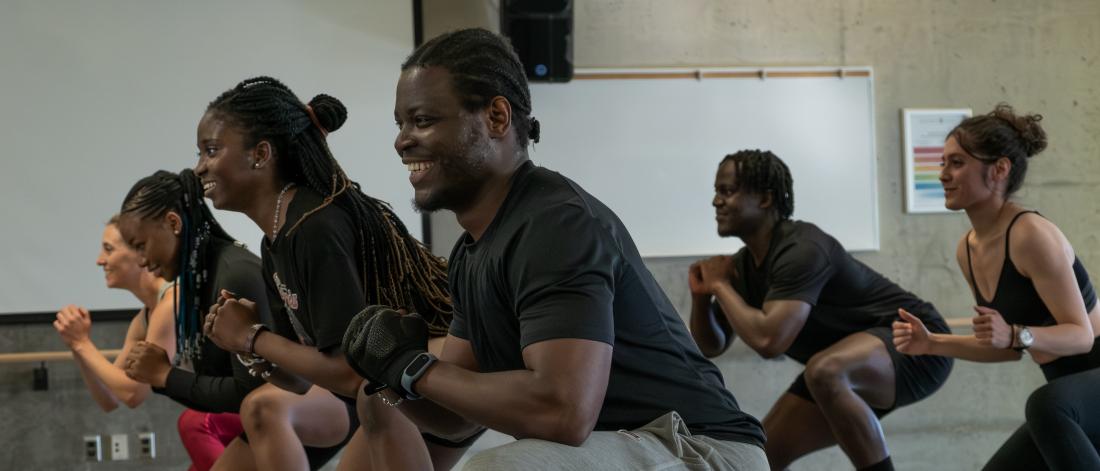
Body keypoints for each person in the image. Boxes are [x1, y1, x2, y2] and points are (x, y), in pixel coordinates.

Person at [343, 27, 768, 471]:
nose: (402, 141)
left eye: (423, 120)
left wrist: (417, 369)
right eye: (401, 124)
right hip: (626, 444)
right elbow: (454, 420)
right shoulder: (472, 256)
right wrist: (392, 372)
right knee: (381, 404)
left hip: (702, 448)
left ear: (497, 118)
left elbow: (564, 411)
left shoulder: (555, 222)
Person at [196, 76, 453, 471]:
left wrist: (252, 336)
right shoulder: (275, 241)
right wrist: (247, 347)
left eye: (211, 151)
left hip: (428, 382)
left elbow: (353, 374)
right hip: (387, 393)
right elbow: (300, 381)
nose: (199, 167)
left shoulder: (314, 227)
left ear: (261, 154)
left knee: (374, 396)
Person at [689, 149, 954, 471]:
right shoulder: (744, 267)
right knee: (761, 458)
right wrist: (703, 297)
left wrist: (720, 287)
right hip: (838, 367)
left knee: (827, 370)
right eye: (716, 192)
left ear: (765, 199)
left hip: (918, 345)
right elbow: (710, 346)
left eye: (727, 191)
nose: (717, 202)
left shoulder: (802, 248)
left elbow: (769, 341)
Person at [893, 104, 1099, 471]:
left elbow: (1081, 336)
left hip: (1082, 387)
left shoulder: (1030, 234)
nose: (943, 174)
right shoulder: (968, 249)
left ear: (999, 169)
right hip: (1068, 398)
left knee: (1044, 405)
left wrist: (1018, 334)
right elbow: (1004, 347)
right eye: (942, 162)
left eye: (956, 163)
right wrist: (932, 343)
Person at [53, 214, 244, 471]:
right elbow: (110, 398)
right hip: (229, 410)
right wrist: (77, 345)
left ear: (141, 253)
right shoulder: (143, 320)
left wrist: (82, 344)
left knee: (194, 423)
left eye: (109, 249)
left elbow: (132, 392)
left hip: (255, 405)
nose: (100, 260)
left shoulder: (172, 302)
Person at [115, 169, 270, 468]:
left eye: (140, 245)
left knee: (192, 424)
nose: (142, 261)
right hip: (268, 418)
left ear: (173, 223)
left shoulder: (234, 274)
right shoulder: (200, 279)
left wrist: (165, 376)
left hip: (300, 412)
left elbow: (249, 393)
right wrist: (161, 378)